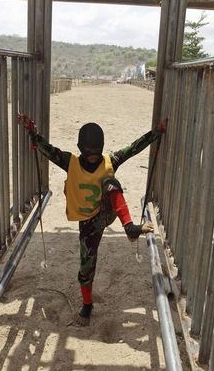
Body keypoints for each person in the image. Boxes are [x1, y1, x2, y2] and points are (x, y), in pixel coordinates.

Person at [17, 114, 166, 326]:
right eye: (89, 154)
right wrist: (32, 133)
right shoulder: (71, 162)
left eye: (97, 153)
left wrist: (156, 133)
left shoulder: (109, 161)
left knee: (110, 181)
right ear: (80, 149)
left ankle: (129, 227)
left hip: (106, 212)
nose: (94, 157)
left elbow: (134, 148)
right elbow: (49, 151)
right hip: (88, 223)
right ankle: (87, 305)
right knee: (86, 264)